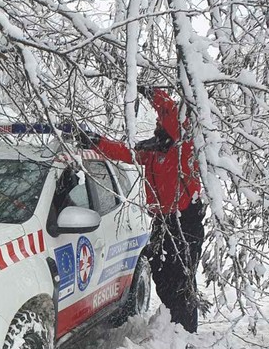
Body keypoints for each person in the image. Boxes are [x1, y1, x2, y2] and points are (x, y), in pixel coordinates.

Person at [78, 87, 205, 333]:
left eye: (162, 121)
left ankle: (185, 332)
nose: (159, 124)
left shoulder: (184, 147)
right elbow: (125, 153)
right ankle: (170, 325)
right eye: (158, 122)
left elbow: (171, 113)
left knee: (181, 278)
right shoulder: (153, 151)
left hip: (185, 220)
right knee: (159, 269)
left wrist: (147, 88)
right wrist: (97, 142)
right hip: (162, 220)